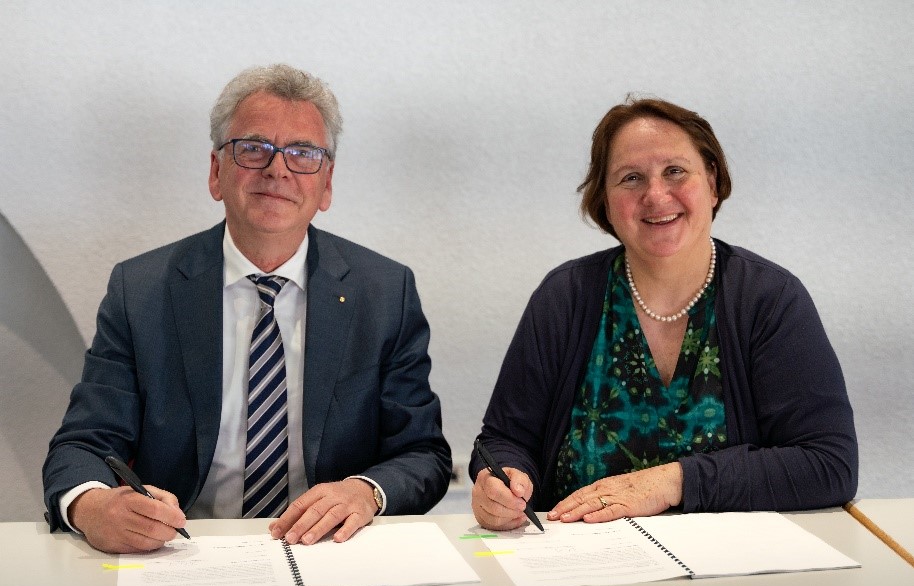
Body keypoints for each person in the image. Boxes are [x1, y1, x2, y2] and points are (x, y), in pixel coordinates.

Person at [43, 64, 452, 553]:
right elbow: (83, 443)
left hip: (328, 551)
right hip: (182, 551)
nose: (278, 169)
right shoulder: (142, 290)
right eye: (254, 148)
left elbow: (423, 453)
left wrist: (364, 492)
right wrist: (92, 507)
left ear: (326, 184)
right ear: (216, 171)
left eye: (303, 153)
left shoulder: (384, 292)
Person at [470, 97, 857, 531]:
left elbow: (829, 464)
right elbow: (506, 441)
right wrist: (502, 482)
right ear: (605, 202)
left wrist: (673, 482)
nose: (655, 195)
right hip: (584, 562)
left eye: (675, 171)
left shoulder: (770, 299)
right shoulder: (564, 297)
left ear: (712, 183)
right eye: (631, 178)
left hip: (734, 564)